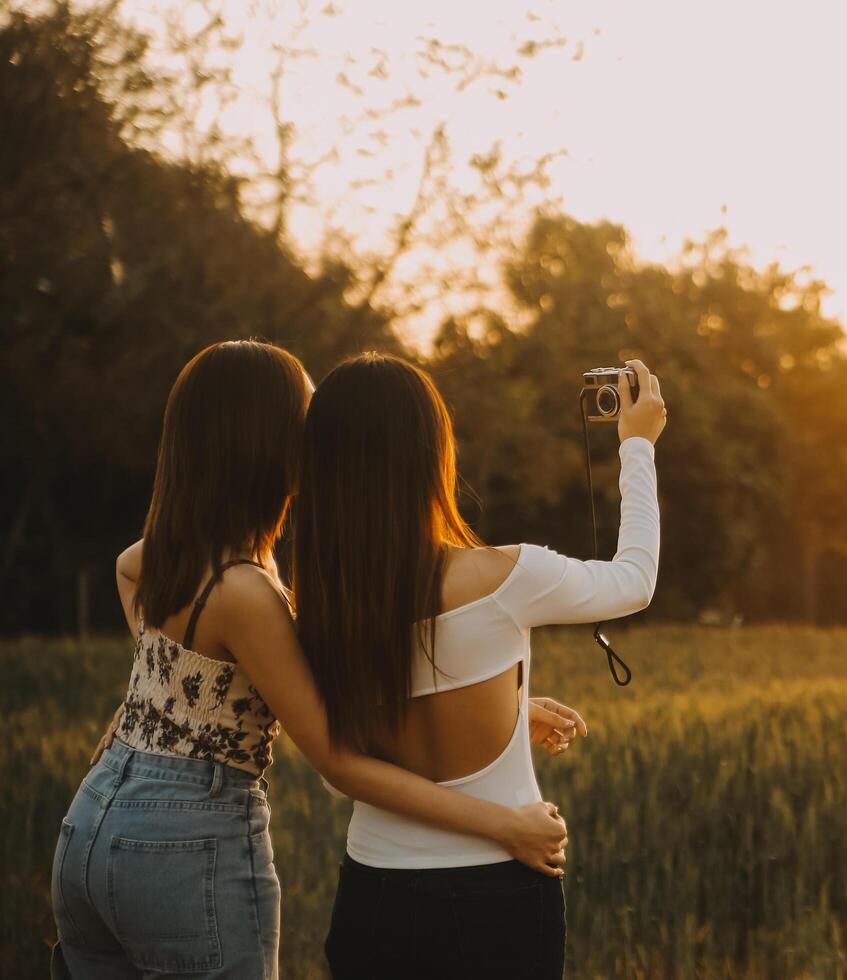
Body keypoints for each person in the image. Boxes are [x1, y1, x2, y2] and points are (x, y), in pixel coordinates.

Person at [50, 341, 581, 979]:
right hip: (183, 837)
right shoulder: (249, 593)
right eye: (311, 417)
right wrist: (505, 827)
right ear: (269, 443)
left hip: (94, 817)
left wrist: (166, 704)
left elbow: (125, 569)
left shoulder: (187, 554)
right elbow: (339, 759)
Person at [291, 353, 665, 979]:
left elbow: (345, 770)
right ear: (430, 454)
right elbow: (634, 580)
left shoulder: (315, 613)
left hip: (373, 895)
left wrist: (510, 709)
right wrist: (637, 445)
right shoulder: (506, 577)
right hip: (498, 892)